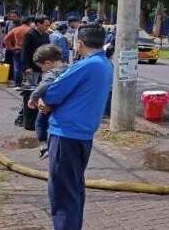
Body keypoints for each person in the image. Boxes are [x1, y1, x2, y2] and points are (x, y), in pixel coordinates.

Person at [38, 25, 112, 230]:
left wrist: (45, 100)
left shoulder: (86, 65)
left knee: (62, 192)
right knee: (73, 190)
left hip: (66, 134)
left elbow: (53, 92)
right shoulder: (104, 63)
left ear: (80, 43)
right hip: (82, 134)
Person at [27, 44, 67, 159]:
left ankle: (44, 146)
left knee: (40, 123)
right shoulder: (70, 68)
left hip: (49, 103)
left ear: (48, 63)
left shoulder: (51, 73)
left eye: (41, 67)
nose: (42, 70)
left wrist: (33, 98)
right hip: (62, 104)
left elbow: (43, 85)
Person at [21, 15, 51, 88]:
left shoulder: (46, 35)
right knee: (31, 89)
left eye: (48, 25)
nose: (47, 27)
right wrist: (26, 67)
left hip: (43, 67)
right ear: (38, 24)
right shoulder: (30, 34)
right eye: (45, 25)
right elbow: (25, 51)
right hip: (32, 68)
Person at [3, 18, 29, 87]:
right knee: (27, 67)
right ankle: (27, 82)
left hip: (17, 49)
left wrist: (10, 48)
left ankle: (17, 83)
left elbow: (5, 39)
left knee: (17, 67)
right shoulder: (30, 30)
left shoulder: (16, 29)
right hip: (27, 51)